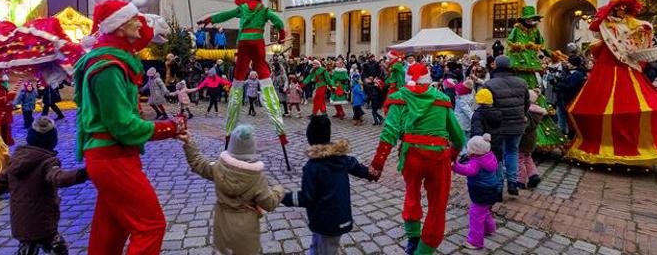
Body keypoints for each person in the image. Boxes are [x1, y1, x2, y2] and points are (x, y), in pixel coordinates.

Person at [73, 0, 183, 254]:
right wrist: (170, 128)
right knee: (151, 225)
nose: (139, 22)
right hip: (112, 157)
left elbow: (142, 33)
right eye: (133, 18)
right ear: (119, 26)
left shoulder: (114, 58)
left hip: (114, 156)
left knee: (109, 233)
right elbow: (122, 125)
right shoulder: (109, 67)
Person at [370, 63, 465, 255]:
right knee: (438, 205)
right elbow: (458, 137)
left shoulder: (399, 98)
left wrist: (377, 164)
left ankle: (413, 238)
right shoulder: (442, 98)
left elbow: (389, 132)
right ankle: (424, 250)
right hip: (438, 157)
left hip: (411, 154)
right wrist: (453, 156)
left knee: (412, 193)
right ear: (428, 79)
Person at [567, 0, 657, 166]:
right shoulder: (606, 26)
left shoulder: (630, 23)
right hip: (609, 65)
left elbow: (642, 31)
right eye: (619, 9)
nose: (622, 12)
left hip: (627, 64)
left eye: (624, 9)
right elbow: (595, 28)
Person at [0, 117, 87, 255]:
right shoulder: (48, 162)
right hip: (43, 223)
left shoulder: (15, 160)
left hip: (21, 223)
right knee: (59, 249)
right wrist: (81, 174)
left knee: (27, 249)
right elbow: (58, 177)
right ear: (52, 141)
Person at [197, 0, 288, 148]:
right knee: (264, 76)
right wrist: (280, 38)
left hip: (244, 42)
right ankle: (280, 132)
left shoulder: (243, 8)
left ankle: (228, 131)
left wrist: (209, 20)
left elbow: (226, 15)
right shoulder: (265, 10)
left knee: (238, 79)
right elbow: (279, 23)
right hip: (258, 42)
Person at [180, 125, 284, 255]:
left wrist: (189, 142)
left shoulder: (218, 167)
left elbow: (198, 162)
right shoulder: (256, 178)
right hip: (245, 229)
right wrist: (279, 189)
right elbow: (269, 203)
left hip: (222, 225)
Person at [282, 115, 377, 254]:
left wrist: (283, 197)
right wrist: (370, 173)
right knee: (318, 246)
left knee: (326, 250)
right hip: (338, 217)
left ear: (310, 139)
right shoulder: (342, 158)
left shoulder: (313, 167)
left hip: (325, 221)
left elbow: (306, 197)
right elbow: (356, 166)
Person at [506, 5, 566, 149]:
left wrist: (552, 54)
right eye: (530, 19)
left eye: (533, 19)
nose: (532, 21)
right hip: (520, 61)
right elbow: (509, 43)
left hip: (531, 64)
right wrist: (520, 47)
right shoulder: (516, 29)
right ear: (524, 19)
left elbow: (542, 46)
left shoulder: (535, 31)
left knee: (533, 89)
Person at [484, 55, 529, 196]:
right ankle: (512, 182)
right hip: (517, 124)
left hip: (498, 126)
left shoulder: (490, 84)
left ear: (496, 66)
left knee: (498, 155)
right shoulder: (522, 82)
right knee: (513, 152)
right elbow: (526, 103)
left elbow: (487, 107)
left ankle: (498, 187)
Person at [451, 134, 501, 250]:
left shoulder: (477, 162)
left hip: (481, 192)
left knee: (475, 215)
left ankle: (475, 241)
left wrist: (455, 166)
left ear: (474, 150)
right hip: (492, 189)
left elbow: (468, 170)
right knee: (485, 210)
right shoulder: (489, 156)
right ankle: (489, 229)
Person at [518, 90, 547, 189]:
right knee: (528, 157)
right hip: (532, 138)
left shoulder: (526, 111)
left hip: (524, 139)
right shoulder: (538, 112)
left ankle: (520, 180)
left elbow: (526, 126)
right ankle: (533, 175)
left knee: (520, 159)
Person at [454, 80, 475, 150]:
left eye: (457, 90)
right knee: (468, 138)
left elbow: (468, 111)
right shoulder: (470, 97)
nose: (455, 91)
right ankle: (468, 151)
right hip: (468, 123)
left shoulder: (461, 100)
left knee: (462, 139)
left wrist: (474, 118)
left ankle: (464, 154)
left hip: (461, 123)